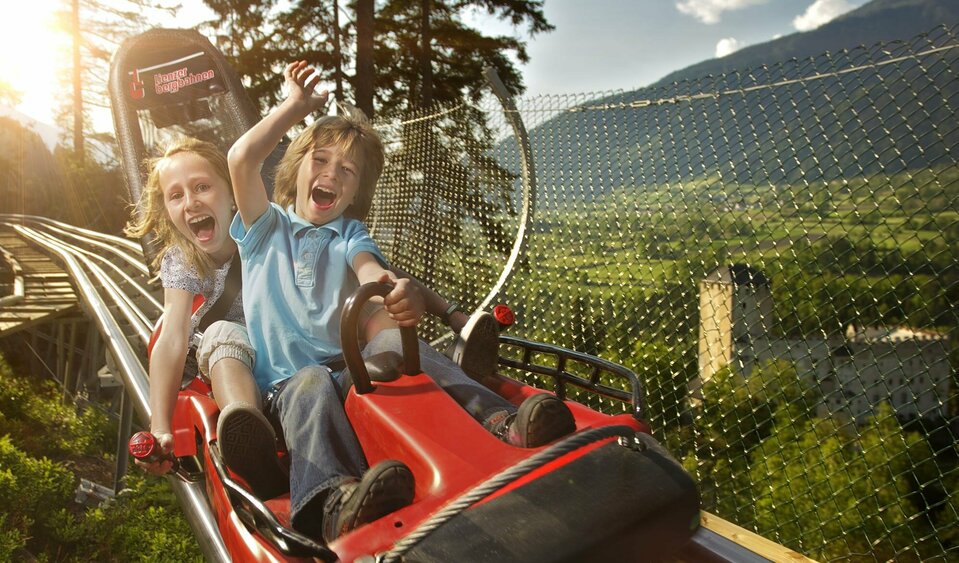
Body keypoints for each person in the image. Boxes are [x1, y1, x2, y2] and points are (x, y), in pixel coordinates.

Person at [227, 60, 575, 543]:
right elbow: (242, 160)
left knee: (394, 339)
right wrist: (295, 106)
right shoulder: (266, 228)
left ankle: (500, 420)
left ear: (355, 192)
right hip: (287, 388)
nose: (331, 173)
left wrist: (395, 291)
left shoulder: (349, 232)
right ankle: (329, 501)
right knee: (310, 381)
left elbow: (371, 268)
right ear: (297, 166)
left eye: (346, 170)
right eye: (320, 160)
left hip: (344, 365)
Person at [124, 139, 287, 499]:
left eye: (202, 187)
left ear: (232, 194)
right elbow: (173, 336)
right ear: (168, 211)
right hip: (224, 353)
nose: (191, 202)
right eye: (176, 195)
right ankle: (246, 435)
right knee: (221, 332)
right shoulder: (183, 259)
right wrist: (160, 427)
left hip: (277, 345)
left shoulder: (263, 229)